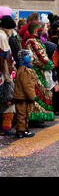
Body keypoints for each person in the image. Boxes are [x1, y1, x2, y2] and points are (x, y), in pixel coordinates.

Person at [23, 21, 55, 123]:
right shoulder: (32, 42)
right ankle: (35, 118)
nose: (45, 31)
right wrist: (47, 64)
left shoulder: (36, 41)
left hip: (40, 71)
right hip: (35, 71)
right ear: (37, 30)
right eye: (43, 29)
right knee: (37, 92)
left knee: (43, 92)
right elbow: (37, 58)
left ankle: (40, 117)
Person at [13, 49, 39, 138]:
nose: (33, 59)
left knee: (22, 114)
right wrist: (32, 96)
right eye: (31, 57)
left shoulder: (23, 69)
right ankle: (21, 131)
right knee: (23, 114)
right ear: (26, 58)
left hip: (21, 96)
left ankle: (22, 130)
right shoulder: (25, 70)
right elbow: (27, 85)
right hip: (23, 97)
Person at [0, 8, 16, 136]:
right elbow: (5, 58)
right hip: (3, 74)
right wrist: (8, 76)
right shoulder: (2, 36)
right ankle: (6, 127)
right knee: (8, 100)